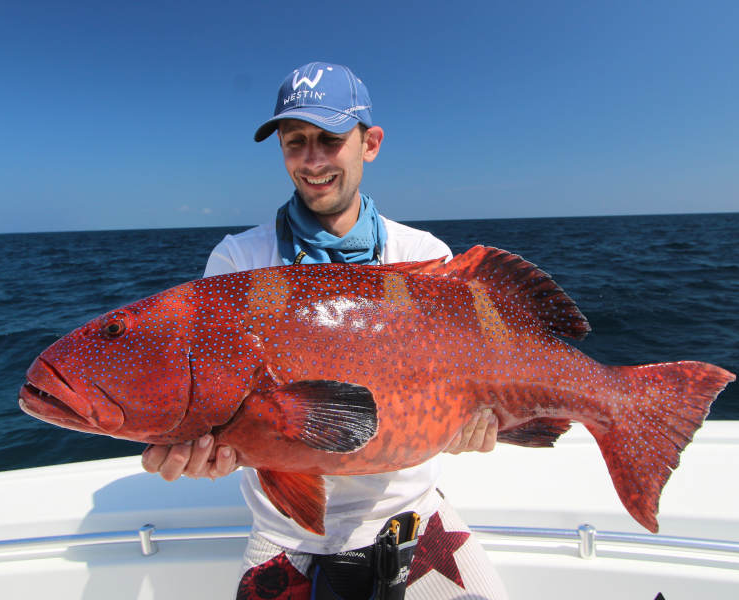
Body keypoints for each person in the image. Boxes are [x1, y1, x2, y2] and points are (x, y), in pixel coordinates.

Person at [142, 61, 508, 599]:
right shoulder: (238, 260)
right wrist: (205, 447)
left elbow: (459, 389)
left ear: (370, 143)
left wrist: (470, 425)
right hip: (284, 534)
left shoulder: (423, 256)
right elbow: (224, 400)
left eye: (330, 139)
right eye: (296, 142)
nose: (312, 160)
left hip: (413, 516)